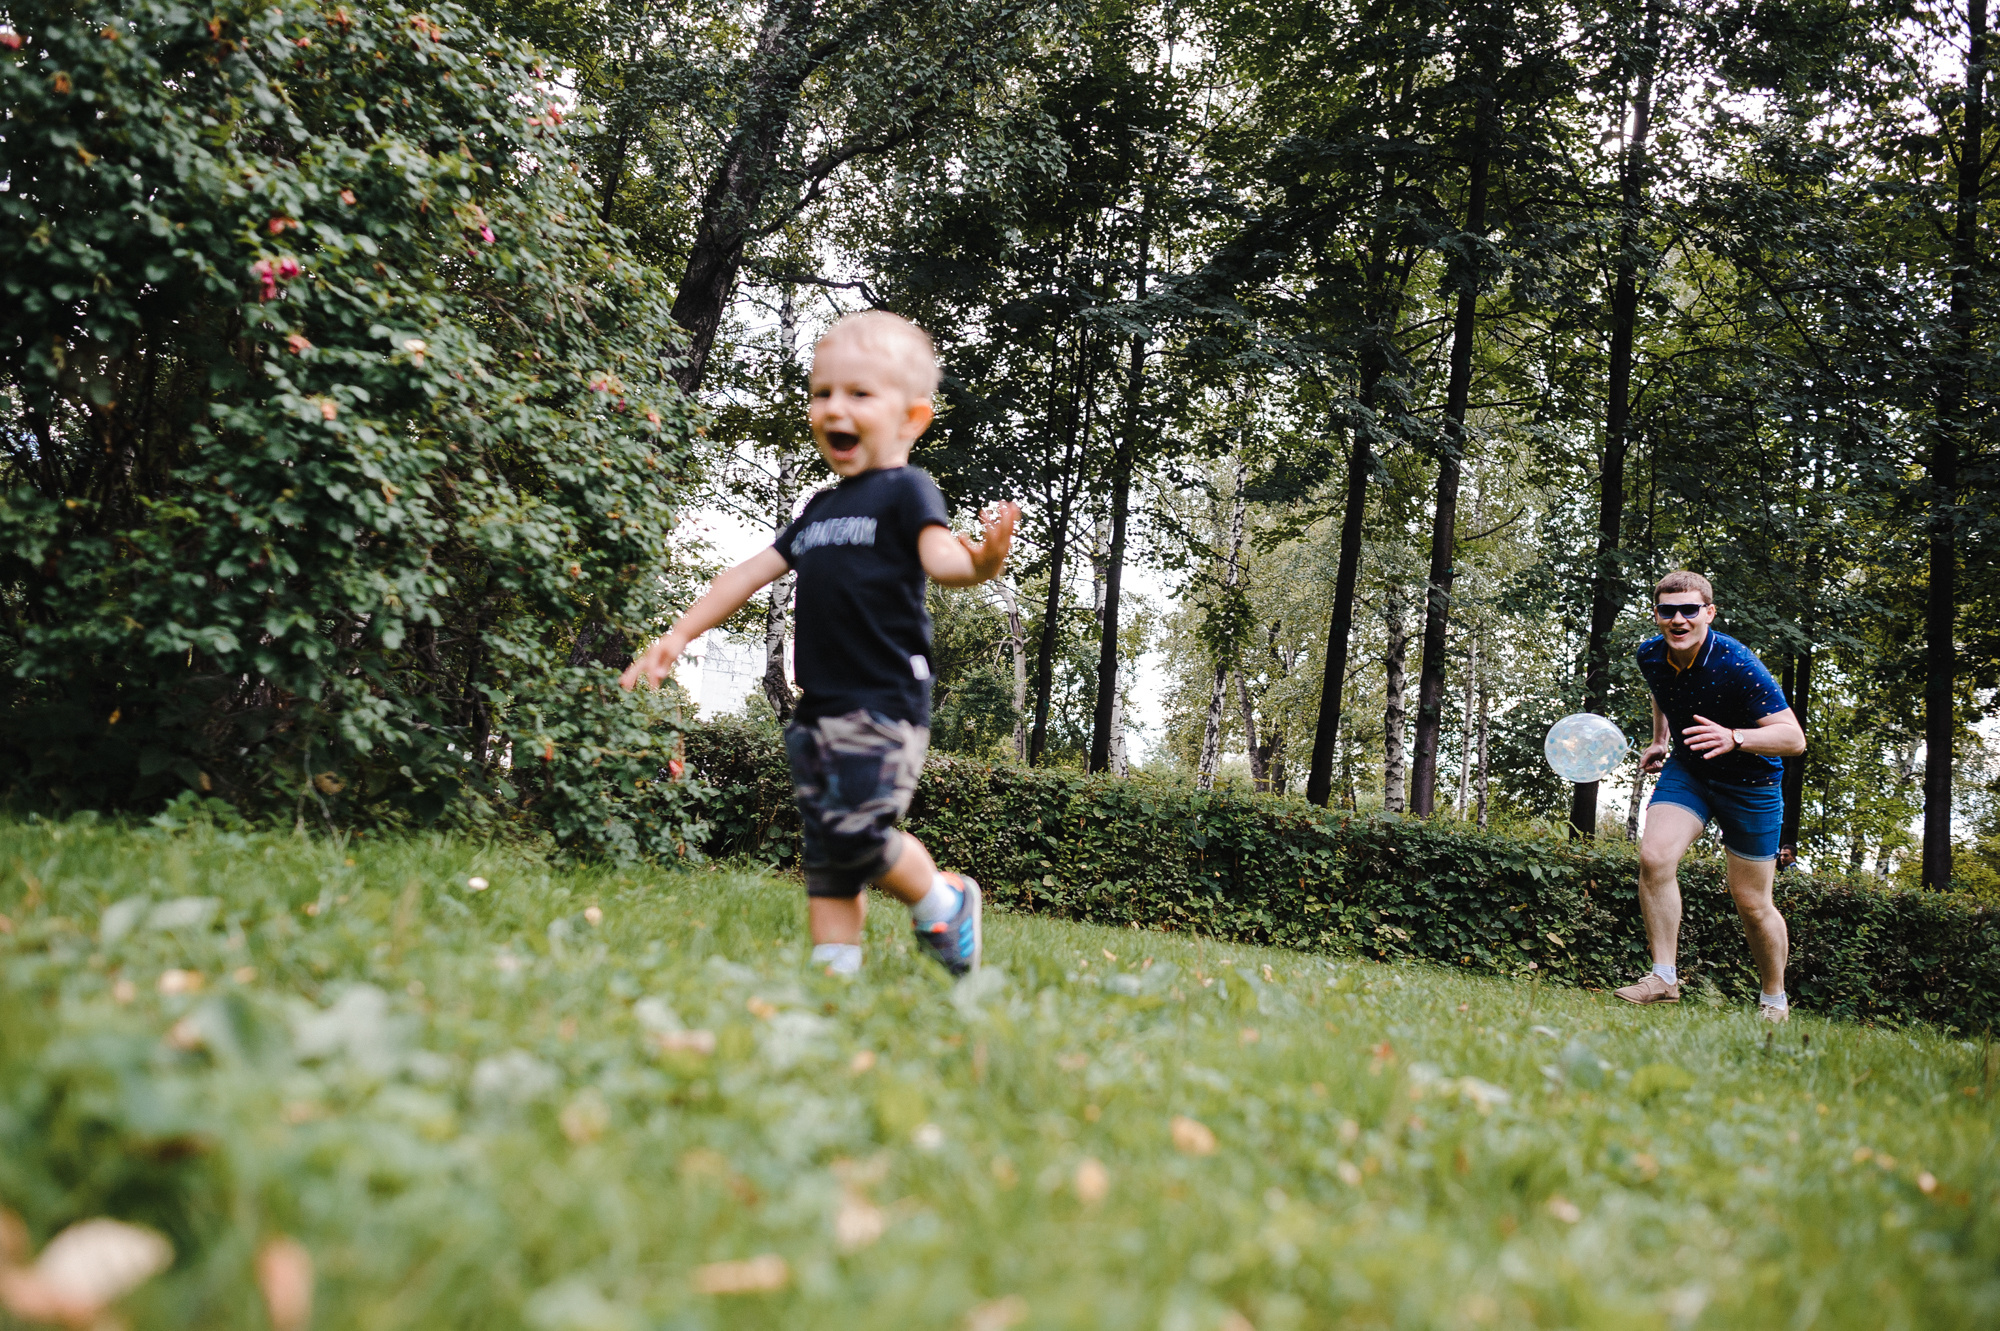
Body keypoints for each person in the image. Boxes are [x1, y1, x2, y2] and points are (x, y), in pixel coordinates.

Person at [621, 311, 1018, 978]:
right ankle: (834, 980)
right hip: (820, 704)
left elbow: (943, 558)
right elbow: (748, 573)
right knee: (828, 850)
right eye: (823, 392)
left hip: (885, 698)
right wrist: (679, 633)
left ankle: (945, 900)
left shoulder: (906, 490)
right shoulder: (819, 510)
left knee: (857, 832)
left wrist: (985, 559)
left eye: (859, 394)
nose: (834, 406)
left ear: (911, 419)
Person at [1614, 571, 1806, 1022]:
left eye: (1689, 610)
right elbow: (1661, 692)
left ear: (1709, 613)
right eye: (1668, 610)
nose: (1678, 619)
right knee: (1654, 858)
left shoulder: (1737, 662)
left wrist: (1735, 737)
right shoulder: (1651, 654)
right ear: (1657, 614)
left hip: (1751, 784)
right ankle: (1663, 978)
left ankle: (1774, 1000)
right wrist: (1660, 739)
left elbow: (1793, 739)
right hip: (1692, 770)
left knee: (1752, 902)